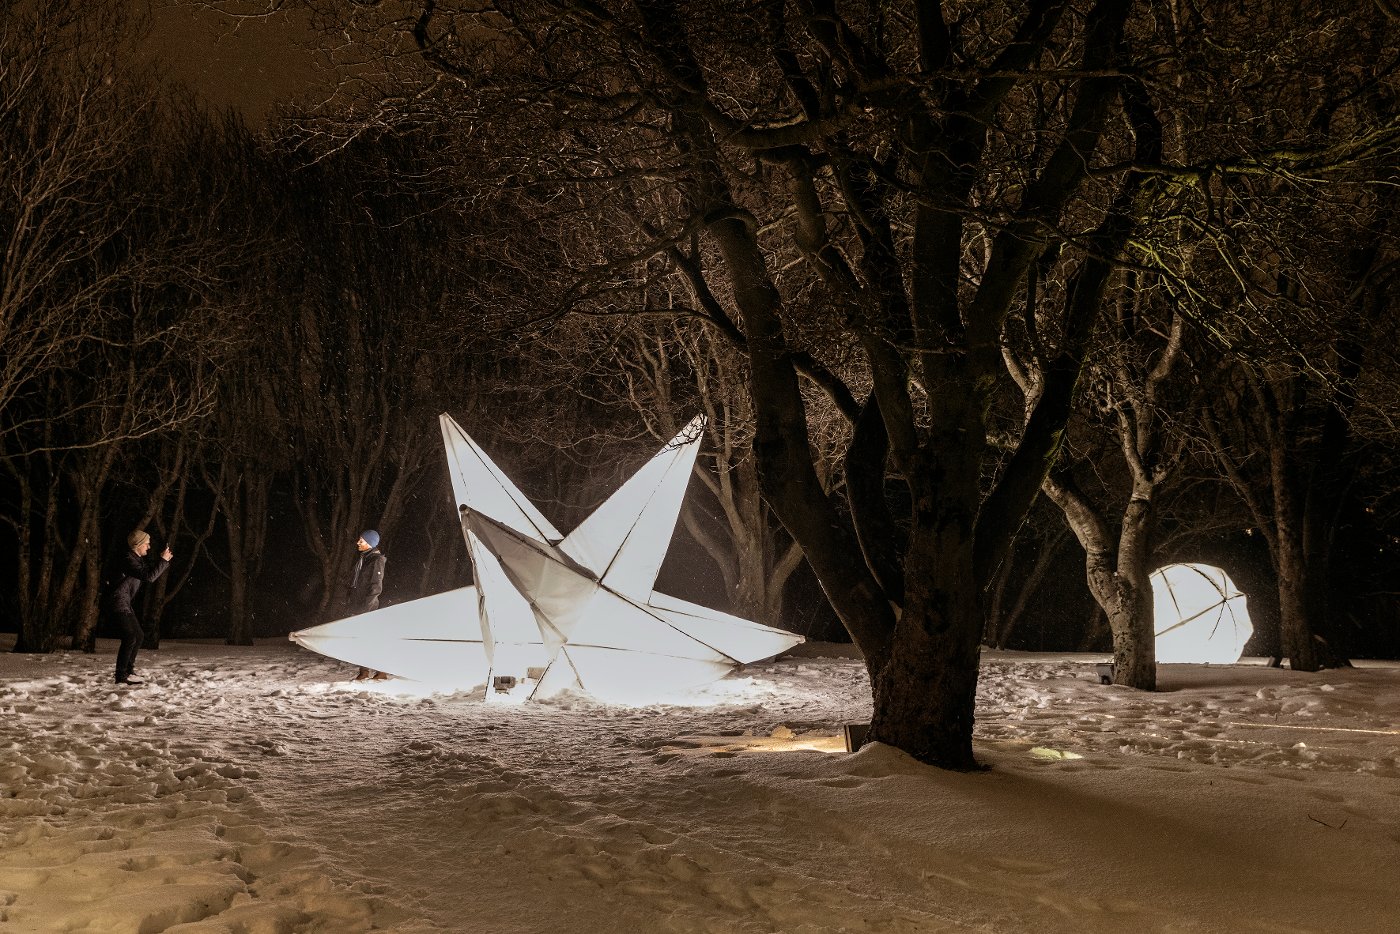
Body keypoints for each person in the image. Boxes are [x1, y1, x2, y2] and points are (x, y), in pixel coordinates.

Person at [104, 529, 172, 686]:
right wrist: (163, 561)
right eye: (147, 544)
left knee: (138, 636)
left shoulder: (135, 559)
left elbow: (148, 572)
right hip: (117, 601)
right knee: (129, 636)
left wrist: (162, 559)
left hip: (124, 602)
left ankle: (128, 671)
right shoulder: (128, 560)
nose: (148, 547)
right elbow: (149, 577)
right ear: (138, 544)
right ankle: (121, 676)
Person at [347, 529, 389, 681]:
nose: (358, 542)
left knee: (371, 640)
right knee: (361, 640)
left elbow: (376, 587)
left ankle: (382, 671)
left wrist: (366, 608)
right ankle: (364, 671)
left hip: (368, 608)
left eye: (362, 541)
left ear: (370, 543)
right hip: (358, 606)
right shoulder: (364, 559)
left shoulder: (376, 560)